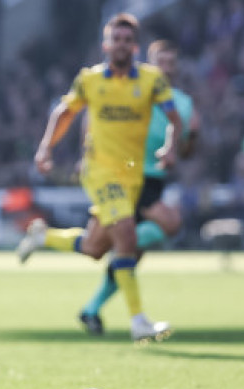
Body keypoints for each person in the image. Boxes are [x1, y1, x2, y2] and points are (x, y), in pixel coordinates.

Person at [15, 13, 184, 342]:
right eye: (114, 39)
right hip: (100, 171)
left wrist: (170, 147)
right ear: (105, 44)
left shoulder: (152, 80)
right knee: (127, 238)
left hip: (132, 174)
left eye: (126, 40)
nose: (120, 45)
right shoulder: (90, 80)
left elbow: (174, 118)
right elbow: (65, 112)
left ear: (135, 47)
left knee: (95, 247)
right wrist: (45, 148)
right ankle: (138, 322)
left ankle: (42, 237)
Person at [77, 39, 201, 335]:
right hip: (127, 174)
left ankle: (91, 309)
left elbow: (188, 146)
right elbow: (94, 118)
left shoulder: (182, 103)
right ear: (148, 62)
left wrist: (186, 142)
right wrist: (88, 154)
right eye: (161, 62)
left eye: (172, 63)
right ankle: (136, 320)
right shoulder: (135, 91)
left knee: (114, 250)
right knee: (169, 223)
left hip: (154, 179)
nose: (167, 69)